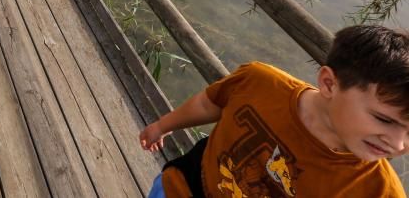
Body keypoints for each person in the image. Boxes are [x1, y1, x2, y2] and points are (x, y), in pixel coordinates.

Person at [139, 25, 409, 197]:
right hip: (181, 188)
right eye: (384, 119)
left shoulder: (378, 190)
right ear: (329, 83)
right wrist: (162, 126)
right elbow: (208, 103)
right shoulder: (260, 82)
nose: (398, 144)